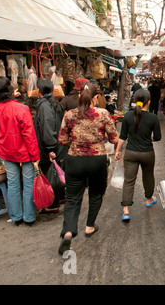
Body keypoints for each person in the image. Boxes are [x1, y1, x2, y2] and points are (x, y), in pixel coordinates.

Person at [57, 82, 118, 255]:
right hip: (96, 160)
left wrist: (76, 143)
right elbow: (114, 138)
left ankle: (68, 232)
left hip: (74, 161)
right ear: (95, 98)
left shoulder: (69, 114)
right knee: (96, 193)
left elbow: (62, 139)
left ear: (79, 97)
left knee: (73, 198)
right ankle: (90, 226)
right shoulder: (103, 113)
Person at [0, 76, 40, 226]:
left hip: (6, 151)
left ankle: (16, 217)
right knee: (28, 184)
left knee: (13, 184)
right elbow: (29, 135)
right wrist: (35, 156)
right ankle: (29, 217)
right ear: (10, 89)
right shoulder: (21, 108)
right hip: (24, 152)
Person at [115, 89, 161, 222]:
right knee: (148, 176)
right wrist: (148, 137)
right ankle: (148, 199)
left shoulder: (128, 116)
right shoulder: (153, 117)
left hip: (130, 153)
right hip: (147, 153)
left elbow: (122, 136)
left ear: (134, 101)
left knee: (129, 180)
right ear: (149, 102)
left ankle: (126, 210)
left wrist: (118, 150)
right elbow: (157, 137)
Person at [33, 78, 68, 214]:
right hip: (58, 145)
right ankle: (60, 198)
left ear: (39, 91)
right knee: (56, 171)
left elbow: (48, 129)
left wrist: (50, 148)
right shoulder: (55, 104)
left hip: (51, 146)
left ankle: (52, 204)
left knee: (50, 173)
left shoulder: (44, 106)